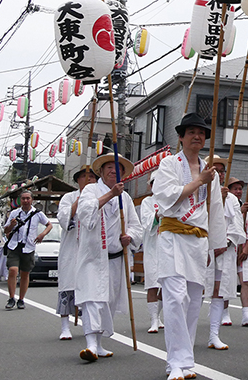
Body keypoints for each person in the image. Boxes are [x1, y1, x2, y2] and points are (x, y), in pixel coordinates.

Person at [151, 112, 227, 380]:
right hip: (172, 237)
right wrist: (197, 182)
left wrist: (213, 246)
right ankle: (175, 362)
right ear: (181, 137)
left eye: (202, 133)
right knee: (175, 298)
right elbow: (166, 197)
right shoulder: (169, 164)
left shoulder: (211, 172)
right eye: (192, 132)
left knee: (194, 300)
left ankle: (185, 362)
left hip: (198, 241)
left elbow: (214, 210)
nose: (197, 136)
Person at [75, 152, 143, 362]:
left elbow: (136, 225)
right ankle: (90, 343)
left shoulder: (126, 198)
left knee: (107, 301)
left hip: (115, 259)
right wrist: (110, 195)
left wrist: (129, 236)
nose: (114, 171)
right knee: (92, 298)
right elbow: (84, 212)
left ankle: (99, 343)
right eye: (110, 168)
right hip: (93, 256)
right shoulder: (91, 190)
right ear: (102, 171)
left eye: (118, 169)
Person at [205, 160, 246, 348]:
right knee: (193, 292)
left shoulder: (231, 199)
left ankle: (214, 334)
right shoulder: (200, 192)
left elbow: (236, 225)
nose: (220, 174)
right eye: (216, 171)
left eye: (222, 171)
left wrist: (225, 242)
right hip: (202, 249)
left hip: (224, 250)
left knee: (218, 292)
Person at [55, 166, 97, 340]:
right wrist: (79, 201)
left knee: (90, 289)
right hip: (71, 249)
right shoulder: (69, 197)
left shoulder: (98, 197)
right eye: (84, 177)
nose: (88, 180)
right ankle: (65, 326)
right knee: (67, 285)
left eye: (92, 177)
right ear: (77, 180)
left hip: (90, 250)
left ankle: (89, 326)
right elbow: (63, 218)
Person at [3, 190, 52, 310]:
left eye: (28, 198)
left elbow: (49, 225)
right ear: (20, 200)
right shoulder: (15, 213)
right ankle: (11, 298)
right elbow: (6, 230)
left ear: (32, 200)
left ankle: (21, 299)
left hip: (29, 247)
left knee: (25, 273)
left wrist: (42, 234)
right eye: (23, 198)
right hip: (14, 246)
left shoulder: (37, 214)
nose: (25, 201)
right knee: (13, 270)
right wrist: (12, 225)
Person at [226, 177, 248, 326]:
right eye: (235, 189)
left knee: (246, 280)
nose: (238, 191)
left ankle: (246, 313)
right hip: (228, 248)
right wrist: (239, 213)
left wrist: (246, 249)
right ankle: (224, 313)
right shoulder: (224, 206)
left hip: (243, 249)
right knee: (226, 281)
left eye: (240, 189)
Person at [140, 175, 164, 334]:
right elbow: (146, 222)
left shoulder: (171, 199)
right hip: (152, 249)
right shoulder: (147, 202)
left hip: (168, 249)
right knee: (152, 284)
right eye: (154, 183)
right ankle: (153, 319)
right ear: (150, 186)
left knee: (166, 286)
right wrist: (157, 215)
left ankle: (158, 315)